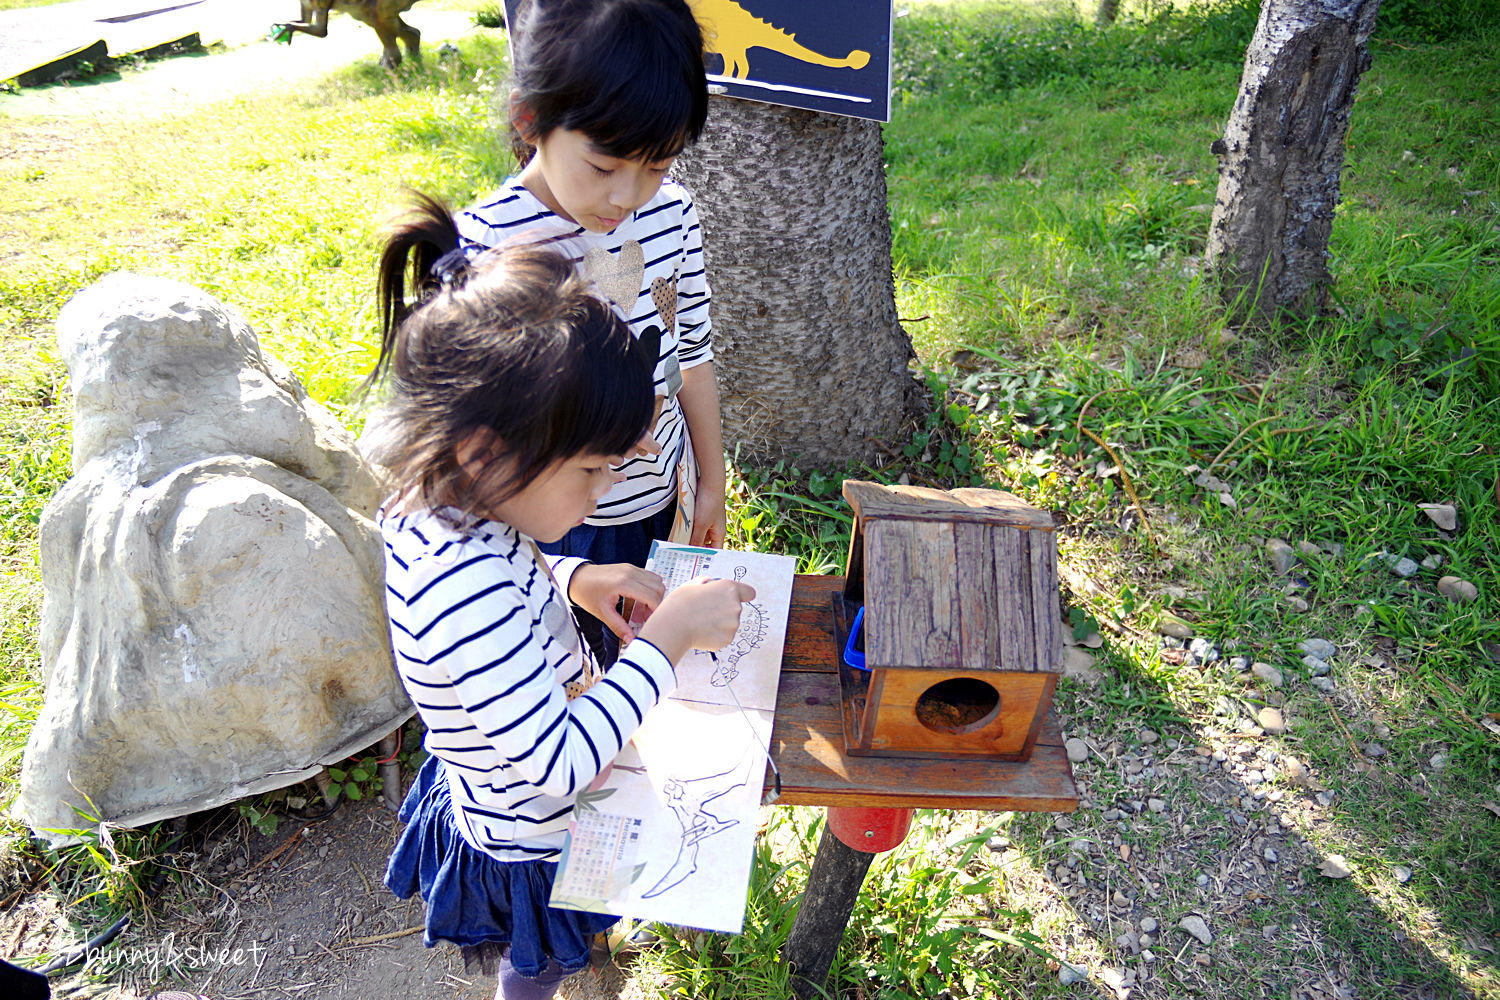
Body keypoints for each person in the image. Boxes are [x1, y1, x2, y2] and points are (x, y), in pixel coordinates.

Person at [369, 195, 754, 1000]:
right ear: (486, 450)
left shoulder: (447, 507)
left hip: (525, 784)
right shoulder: (460, 582)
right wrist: (667, 641)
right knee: (537, 962)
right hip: (530, 835)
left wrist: (577, 577)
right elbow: (554, 762)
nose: (605, 488)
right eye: (590, 470)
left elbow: (505, 587)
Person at [457, 0, 724, 666]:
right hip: (546, 538)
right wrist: (567, 573)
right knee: (591, 677)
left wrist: (711, 483)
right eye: (604, 167)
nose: (627, 196)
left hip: (666, 503)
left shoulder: (673, 216)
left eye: (657, 165)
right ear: (530, 120)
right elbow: (469, 470)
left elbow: (691, 353)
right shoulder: (484, 250)